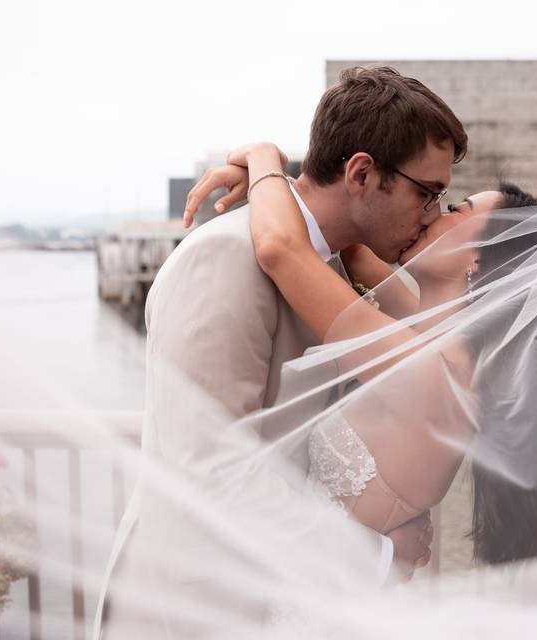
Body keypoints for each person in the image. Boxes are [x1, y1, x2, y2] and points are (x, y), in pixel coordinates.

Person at [93, 66, 468, 639]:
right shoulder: (223, 258)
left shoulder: (337, 268)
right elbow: (209, 468)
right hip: (194, 608)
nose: (431, 212)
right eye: (428, 191)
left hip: (284, 598)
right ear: (363, 174)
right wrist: (373, 556)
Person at [188, 142, 537, 564]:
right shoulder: (428, 332)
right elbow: (344, 234)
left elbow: (283, 250)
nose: (433, 213)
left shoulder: (431, 374)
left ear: (476, 259)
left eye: (457, 209)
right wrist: (270, 185)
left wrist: (263, 158)